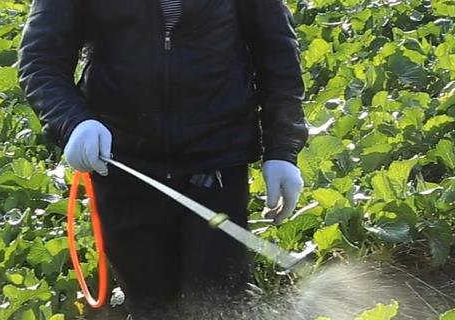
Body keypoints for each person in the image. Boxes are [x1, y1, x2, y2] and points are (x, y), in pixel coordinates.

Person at [18, 0, 308, 318]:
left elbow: (277, 55)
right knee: (151, 303)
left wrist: (282, 150)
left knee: (218, 301)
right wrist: (73, 122)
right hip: (123, 167)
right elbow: (41, 60)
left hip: (216, 163)